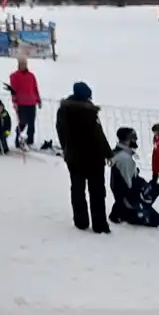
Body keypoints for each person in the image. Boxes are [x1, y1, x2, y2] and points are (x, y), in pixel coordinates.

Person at [55, 81, 113, 233]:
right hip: (93, 157)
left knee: (77, 189)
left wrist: (66, 149)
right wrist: (107, 153)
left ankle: (81, 221)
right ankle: (99, 224)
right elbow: (98, 136)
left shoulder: (63, 110)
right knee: (97, 191)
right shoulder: (89, 112)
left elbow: (61, 132)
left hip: (74, 157)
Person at [109, 127, 159, 226]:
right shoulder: (124, 158)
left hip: (126, 193)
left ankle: (122, 209)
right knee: (157, 221)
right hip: (129, 197)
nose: (136, 140)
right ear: (127, 140)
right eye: (133, 138)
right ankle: (126, 212)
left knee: (155, 188)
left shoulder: (121, 153)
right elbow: (127, 184)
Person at [5, 56, 42, 148]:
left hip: (31, 102)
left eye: (25, 64)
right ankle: (18, 138)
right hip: (21, 103)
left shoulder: (31, 76)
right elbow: (13, 90)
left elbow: (35, 88)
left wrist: (38, 99)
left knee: (31, 123)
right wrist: (15, 102)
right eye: (22, 64)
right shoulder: (14, 76)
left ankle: (30, 141)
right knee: (22, 122)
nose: (24, 65)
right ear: (18, 64)